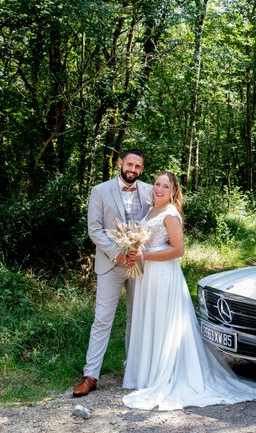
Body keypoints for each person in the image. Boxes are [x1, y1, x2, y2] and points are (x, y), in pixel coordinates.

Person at [122, 171, 256, 410]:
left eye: (165, 186)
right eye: (157, 185)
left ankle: (169, 371)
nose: (159, 189)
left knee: (164, 323)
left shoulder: (171, 214)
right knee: (150, 320)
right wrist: (135, 252)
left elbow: (178, 250)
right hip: (147, 276)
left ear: (173, 191)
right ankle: (149, 374)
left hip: (164, 276)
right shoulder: (151, 210)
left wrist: (146, 255)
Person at [73, 150, 153, 397]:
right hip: (110, 264)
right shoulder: (100, 191)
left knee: (136, 319)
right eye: (129, 164)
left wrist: (140, 251)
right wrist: (118, 254)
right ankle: (91, 375)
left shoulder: (150, 190)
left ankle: (134, 370)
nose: (133, 169)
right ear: (121, 164)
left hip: (140, 265)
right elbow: (94, 230)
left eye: (138, 166)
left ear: (141, 169)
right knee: (102, 319)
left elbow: (155, 224)